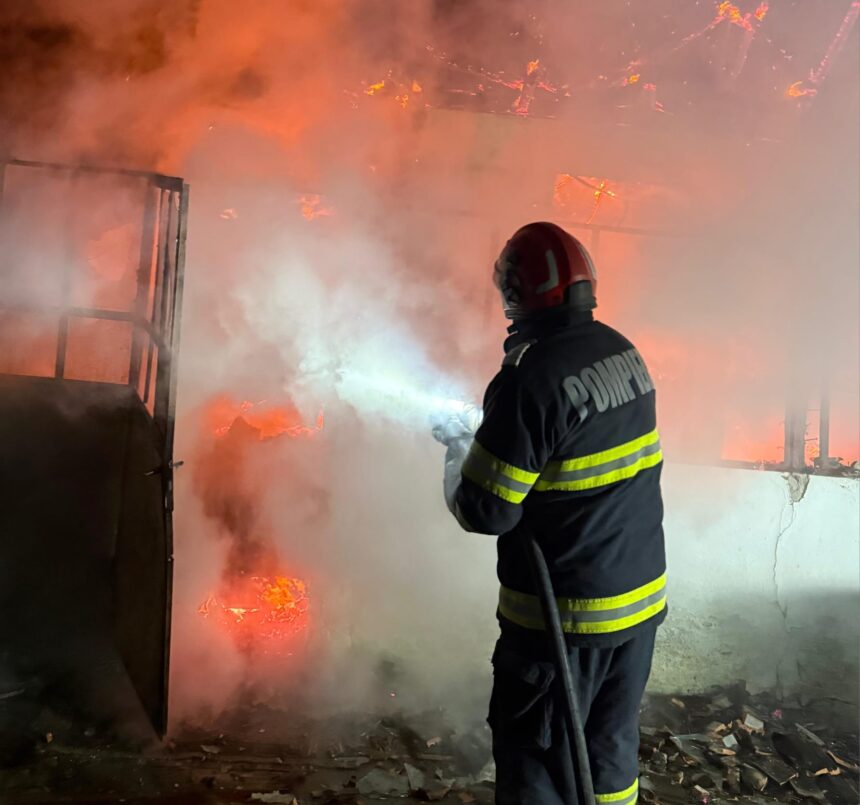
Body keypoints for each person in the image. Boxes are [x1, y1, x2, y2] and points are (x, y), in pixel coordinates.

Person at [434, 222, 666, 805]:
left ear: (516, 293)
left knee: (536, 757)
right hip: (637, 604)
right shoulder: (622, 350)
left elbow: (485, 508)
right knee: (607, 749)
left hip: (565, 619)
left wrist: (457, 447)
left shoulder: (527, 378)